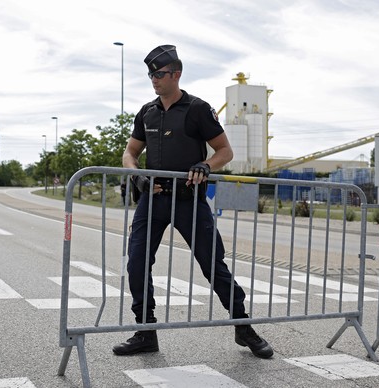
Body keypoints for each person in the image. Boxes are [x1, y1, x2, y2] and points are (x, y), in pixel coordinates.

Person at [113, 44, 273, 359]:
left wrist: (205, 165)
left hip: (189, 200)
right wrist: (136, 176)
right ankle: (145, 331)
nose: (153, 79)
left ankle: (244, 327)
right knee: (136, 263)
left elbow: (225, 151)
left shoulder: (197, 109)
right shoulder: (147, 111)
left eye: (159, 74)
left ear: (176, 74)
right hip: (153, 200)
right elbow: (130, 153)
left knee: (213, 265)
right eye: (150, 74)